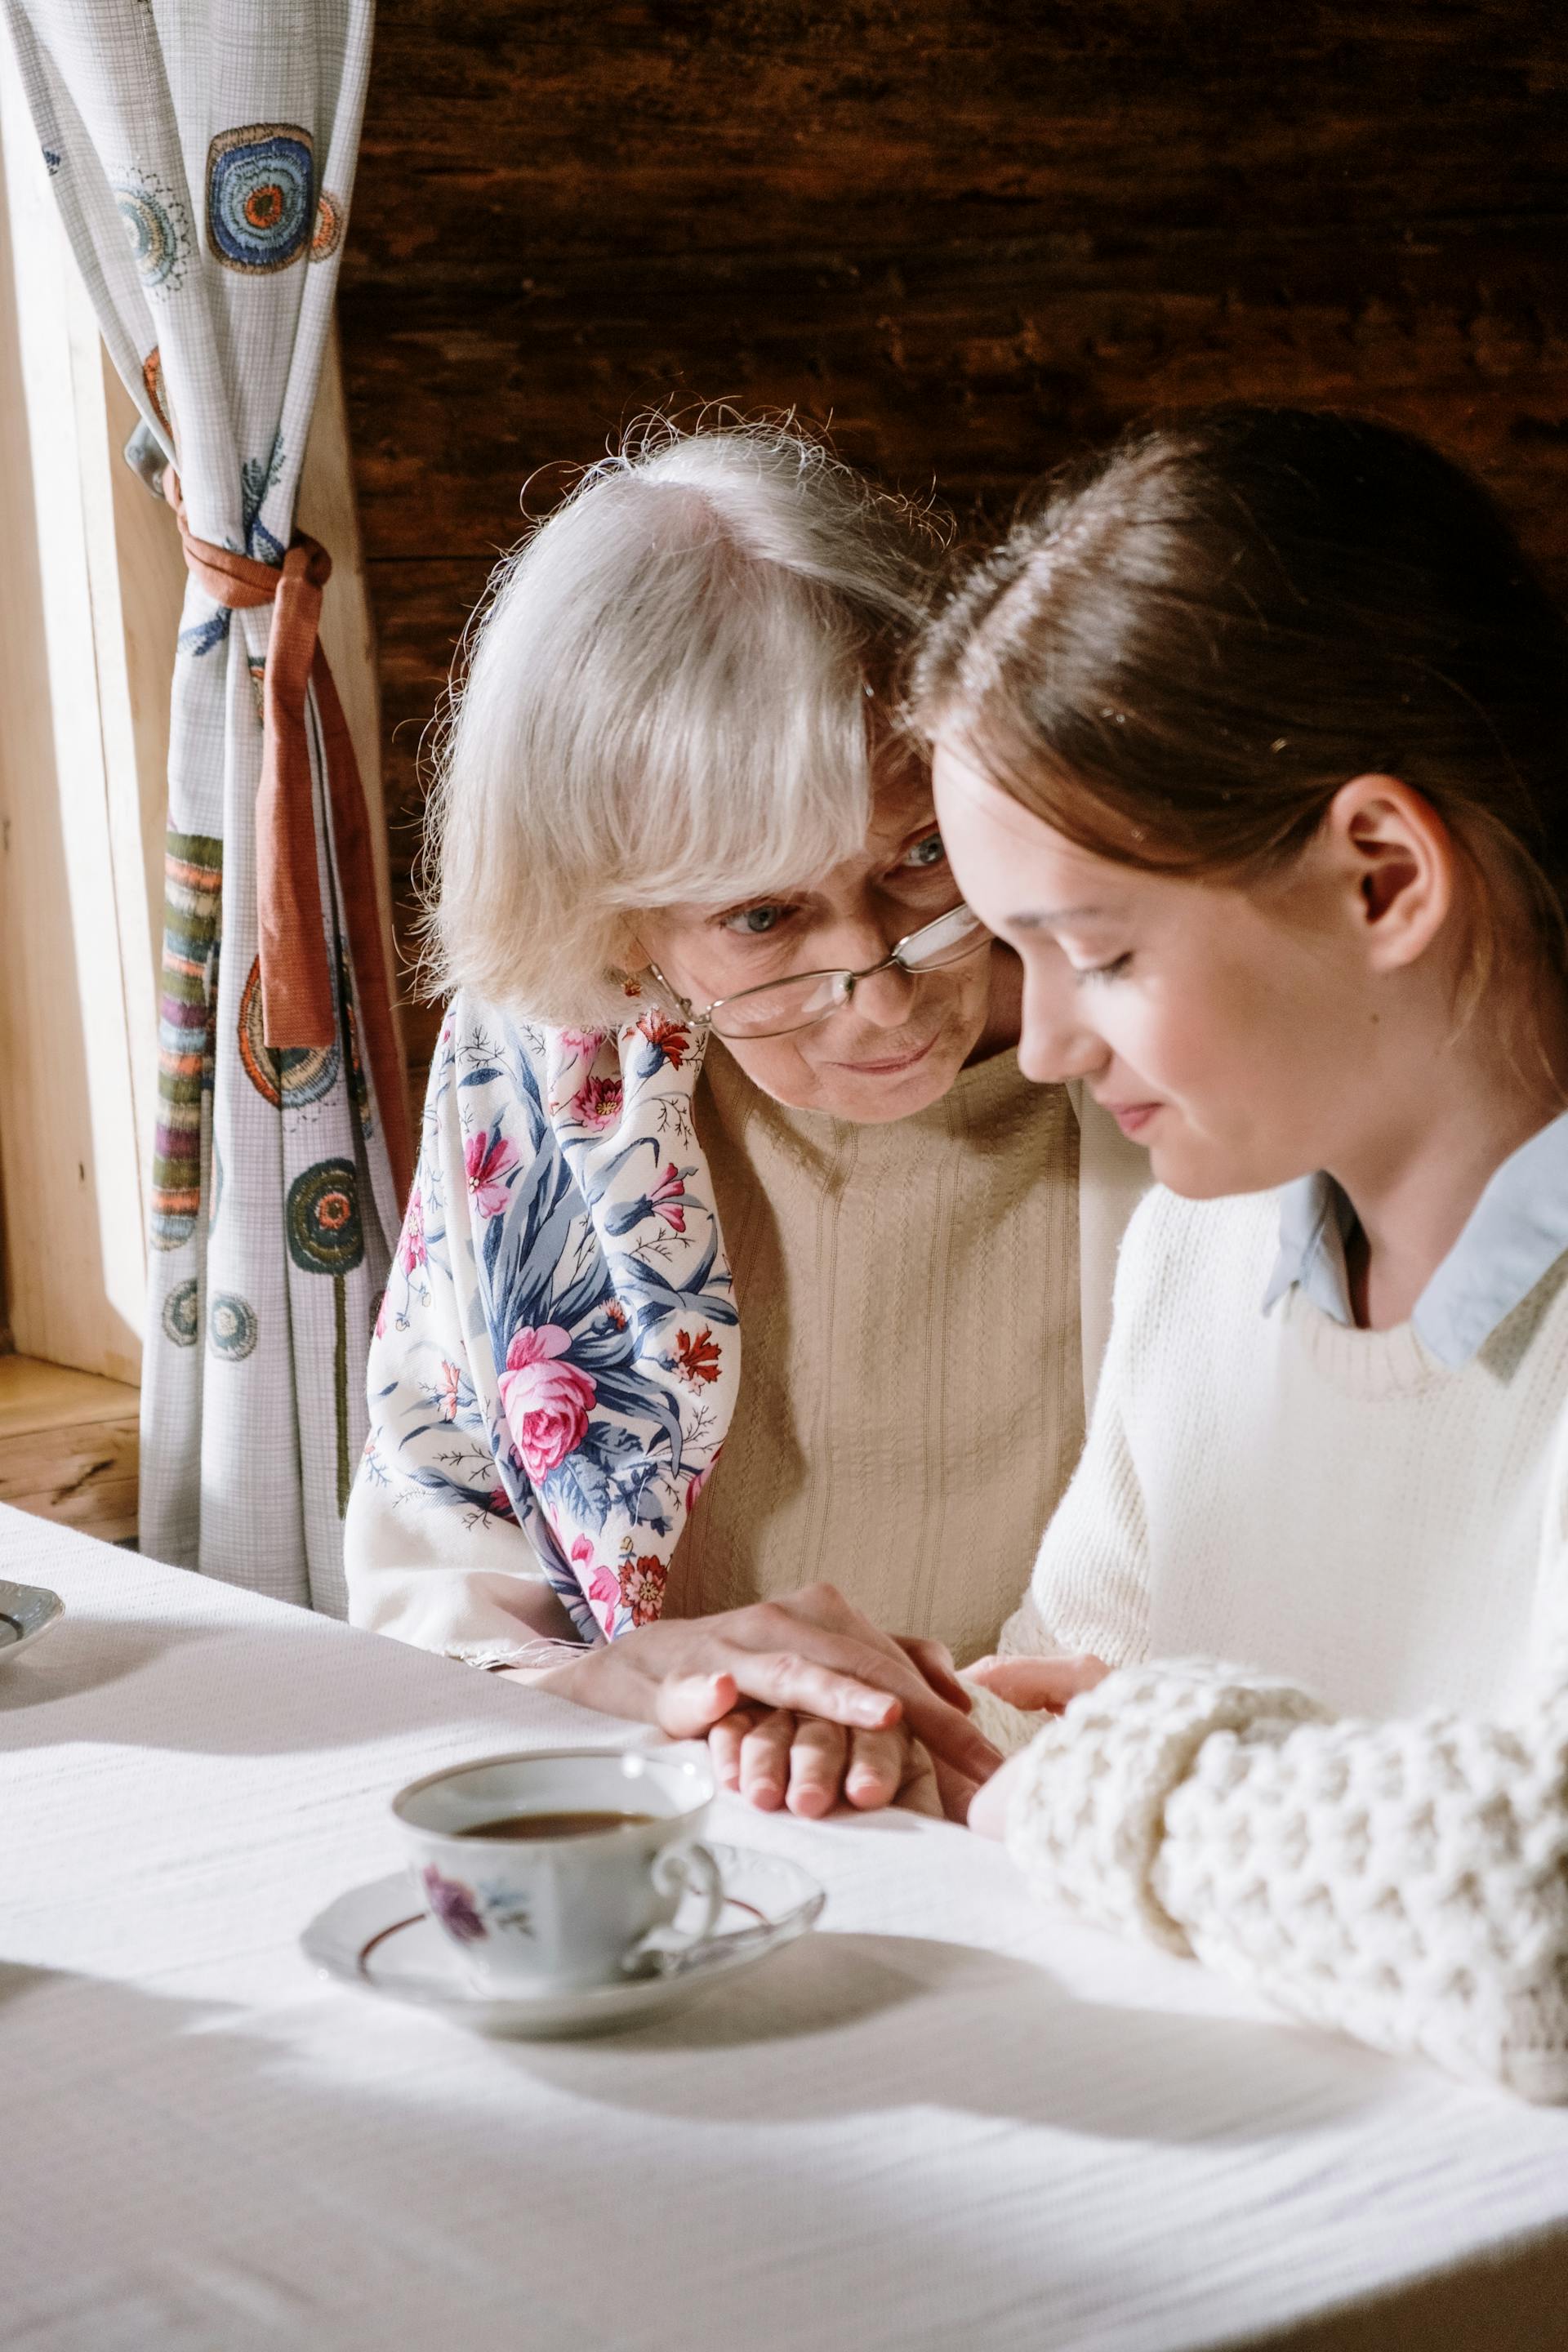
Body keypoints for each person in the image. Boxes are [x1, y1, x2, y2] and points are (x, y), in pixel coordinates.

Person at [344, 421, 1147, 1820]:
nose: (885, 998)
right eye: (765, 917)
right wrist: (644, 1676)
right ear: (620, 922)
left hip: (1091, 1810)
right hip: (684, 1814)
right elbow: (423, 1611)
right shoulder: (545, 1076)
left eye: (919, 859)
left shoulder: (1161, 1041)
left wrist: (954, 1755)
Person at [911, 406, 1568, 2098]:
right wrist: (908, 1734)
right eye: (1013, 956)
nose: (1043, 1042)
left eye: (1100, 952)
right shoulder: (1200, 1249)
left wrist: (1088, 1781)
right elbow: (1075, 1709)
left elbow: (1543, 1920)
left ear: (1379, 874)